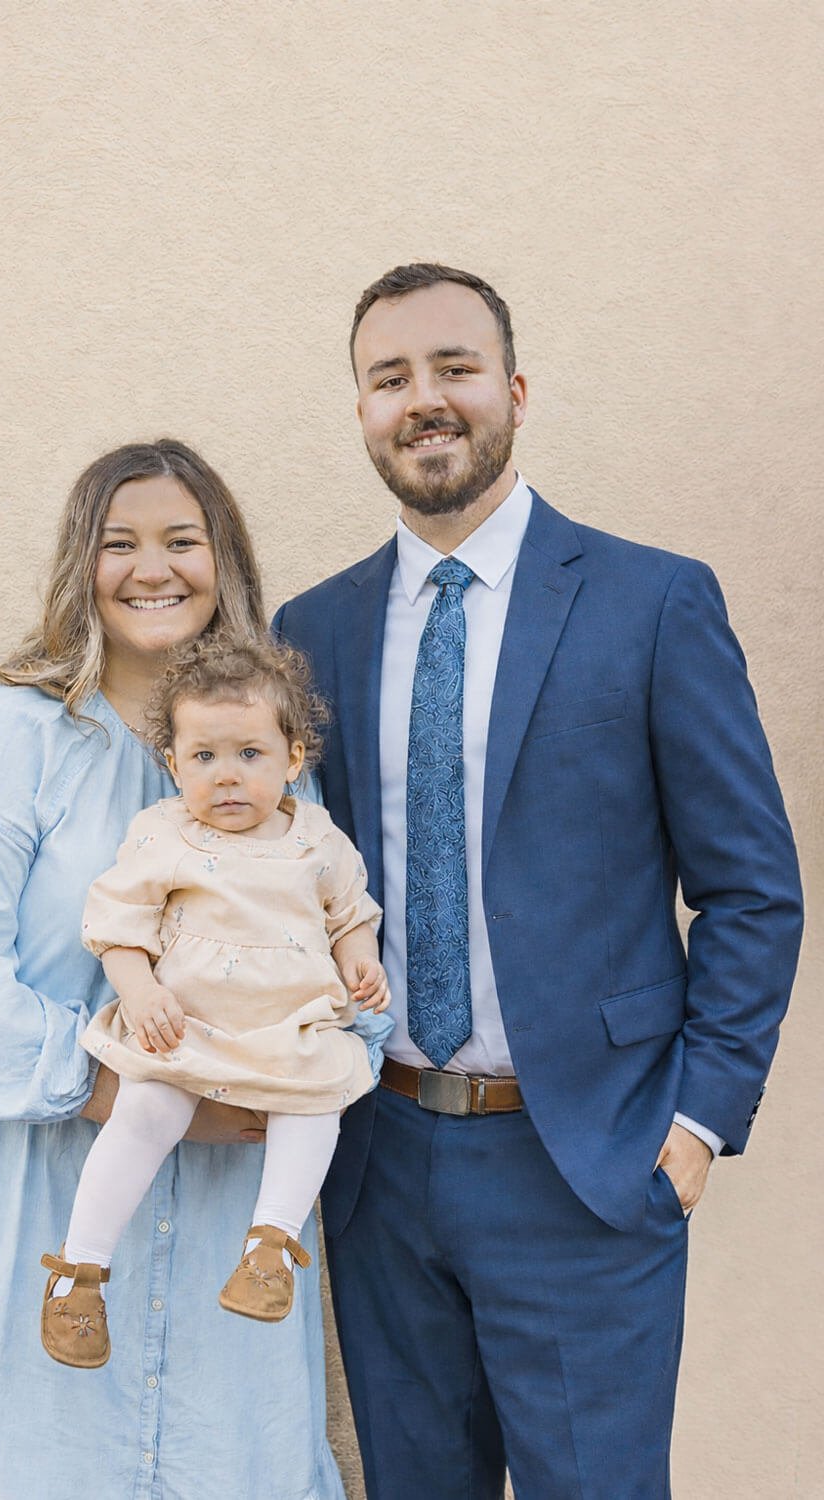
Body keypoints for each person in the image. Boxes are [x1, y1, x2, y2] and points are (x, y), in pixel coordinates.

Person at [273, 263, 804, 1499]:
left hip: (585, 1163)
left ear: (512, 389)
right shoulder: (315, 629)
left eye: (453, 367)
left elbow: (751, 887)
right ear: (359, 411)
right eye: (388, 378)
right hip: (380, 1162)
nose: (425, 400)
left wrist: (695, 1124)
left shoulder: (651, 601)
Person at [0, 439, 382, 1500]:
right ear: (80, 565)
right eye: (119, 543)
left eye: (183, 540)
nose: (153, 568)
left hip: (230, 1192)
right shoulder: (9, 738)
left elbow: (319, 932)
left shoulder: (262, 758)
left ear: (224, 560)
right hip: (33, 1172)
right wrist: (107, 1085)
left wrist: (308, 1063)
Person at [41, 631, 390, 1366]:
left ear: (294, 759)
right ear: (172, 765)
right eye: (203, 758)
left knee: (317, 1100)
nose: (226, 777)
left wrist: (360, 964)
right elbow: (116, 924)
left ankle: (270, 1244)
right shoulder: (163, 832)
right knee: (143, 1111)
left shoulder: (318, 839)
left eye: (249, 755)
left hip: (289, 1028)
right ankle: (81, 1273)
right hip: (186, 1029)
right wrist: (137, 991)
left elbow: (351, 914)